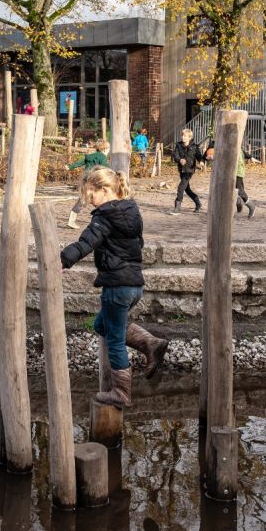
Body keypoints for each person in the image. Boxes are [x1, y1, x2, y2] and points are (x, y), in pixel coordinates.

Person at [60, 166, 169, 406]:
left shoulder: (105, 217)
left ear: (105, 190)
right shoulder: (131, 212)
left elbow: (85, 243)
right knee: (103, 324)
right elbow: (136, 245)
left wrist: (61, 260)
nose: (90, 203)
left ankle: (121, 393)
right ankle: (151, 343)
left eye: (92, 196)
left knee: (114, 339)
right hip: (133, 285)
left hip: (117, 287)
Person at [66, 139, 109, 229]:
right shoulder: (103, 157)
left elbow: (79, 163)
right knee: (102, 200)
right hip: (95, 182)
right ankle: (103, 221)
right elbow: (105, 170)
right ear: (104, 148)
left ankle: (71, 220)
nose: (109, 151)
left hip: (85, 181)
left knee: (82, 200)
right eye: (108, 149)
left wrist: (69, 167)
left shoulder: (90, 156)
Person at [171, 128, 205, 213]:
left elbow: (199, 156)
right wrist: (179, 160)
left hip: (189, 171)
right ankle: (198, 203)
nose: (183, 137)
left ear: (189, 137)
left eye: (185, 136)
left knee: (181, 187)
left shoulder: (194, 147)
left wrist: (201, 161)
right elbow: (175, 156)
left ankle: (177, 207)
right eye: (182, 135)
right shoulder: (178, 145)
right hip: (182, 170)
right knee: (187, 189)